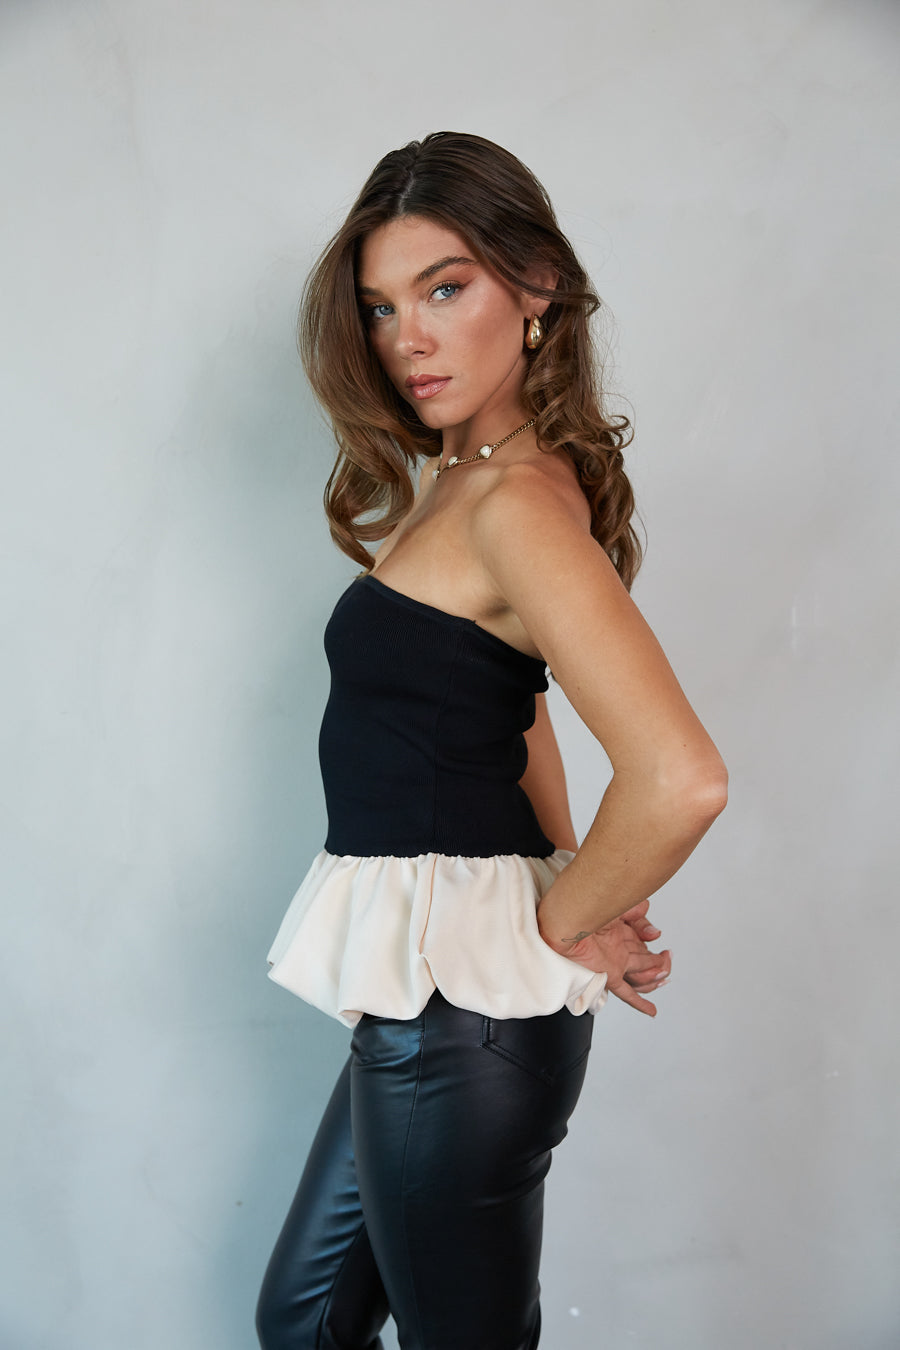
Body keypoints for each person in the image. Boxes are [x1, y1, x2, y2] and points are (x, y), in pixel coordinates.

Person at [256, 131, 727, 1350]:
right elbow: (512, 712)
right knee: (304, 1321)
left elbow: (680, 778)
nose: (406, 337)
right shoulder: (465, 479)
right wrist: (569, 873)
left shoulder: (515, 500)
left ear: (536, 289)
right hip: (426, 996)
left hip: (466, 1019)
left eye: (444, 288)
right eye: (381, 306)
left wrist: (562, 924)